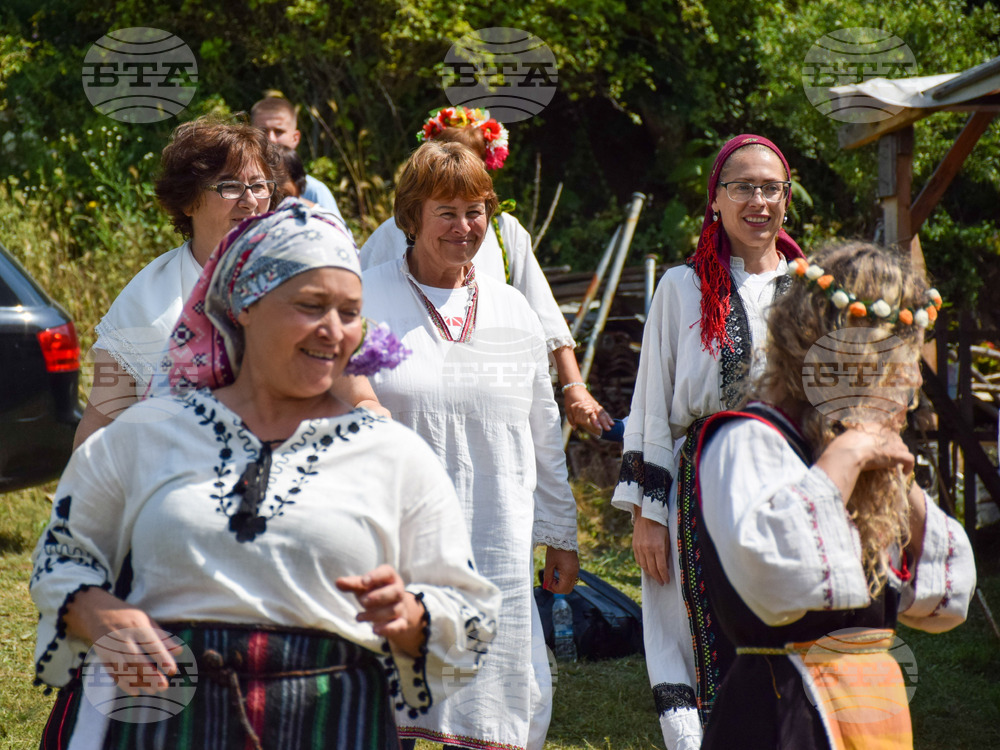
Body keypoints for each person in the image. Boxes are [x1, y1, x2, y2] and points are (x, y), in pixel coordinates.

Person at [31, 201, 501, 749]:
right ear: (245, 306)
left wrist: (414, 615)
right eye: (310, 305)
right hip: (168, 722)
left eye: (350, 313)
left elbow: (469, 608)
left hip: (332, 726)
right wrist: (96, 611)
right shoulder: (149, 436)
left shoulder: (392, 456)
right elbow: (62, 556)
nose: (333, 331)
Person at [695, 241, 974, 749]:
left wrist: (900, 483)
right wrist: (847, 457)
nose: (912, 381)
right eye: (899, 360)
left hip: (871, 712)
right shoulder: (749, 440)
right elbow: (779, 579)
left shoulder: (844, 447)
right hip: (783, 718)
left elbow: (944, 603)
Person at [362, 141, 580, 750]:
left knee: (496, 694)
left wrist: (560, 533)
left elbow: (542, 431)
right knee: (384, 698)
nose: (464, 227)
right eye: (447, 213)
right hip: (391, 538)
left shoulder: (513, 310)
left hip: (494, 538)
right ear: (411, 217)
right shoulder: (364, 298)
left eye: (475, 211)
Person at [611, 134, 806, 749]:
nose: (758, 201)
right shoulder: (682, 288)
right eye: (742, 187)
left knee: (784, 627)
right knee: (698, 628)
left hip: (789, 486)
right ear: (715, 200)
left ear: (787, 198)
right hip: (700, 488)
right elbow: (652, 406)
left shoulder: (813, 291)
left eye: (770, 188)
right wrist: (648, 515)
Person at [76, 115, 381, 447]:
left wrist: (372, 422)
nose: (249, 201)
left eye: (259, 186)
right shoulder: (145, 301)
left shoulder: (305, 280)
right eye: (230, 186)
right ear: (189, 201)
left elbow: (361, 398)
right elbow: (99, 427)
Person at [361, 106, 614, 436]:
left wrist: (574, 386)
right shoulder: (392, 233)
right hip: (410, 382)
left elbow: (543, 312)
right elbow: (357, 311)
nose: (462, 226)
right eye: (446, 211)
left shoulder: (506, 233)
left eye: (470, 162)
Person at [250, 96, 346, 224]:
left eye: (279, 131)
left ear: (295, 138)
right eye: (263, 131)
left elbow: (336, 232)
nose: (271, 139)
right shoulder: (236, 187)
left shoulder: (314, 192)